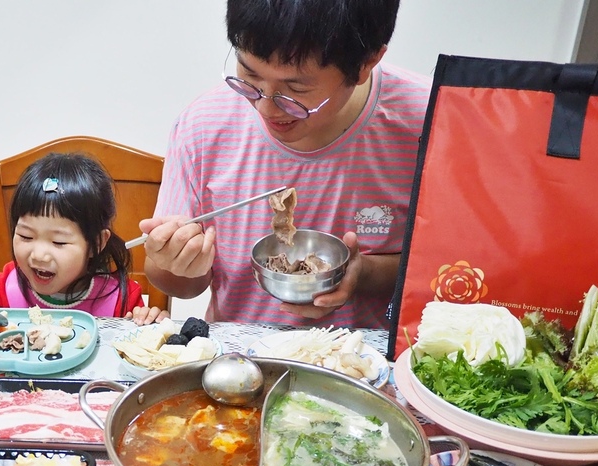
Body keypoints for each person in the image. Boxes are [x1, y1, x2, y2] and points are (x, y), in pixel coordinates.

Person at [141, 0, 431, 329]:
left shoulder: (429, 123)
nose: (265, 107)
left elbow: (452, 270)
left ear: (367, 62)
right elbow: (176, 282)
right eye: (249, 74)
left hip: (369, 367)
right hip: (242, 365)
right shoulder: (203, 127)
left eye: (295, 89)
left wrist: (364, 275)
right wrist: (177, 263)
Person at [0, 153, 167, 324]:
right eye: (26, 236)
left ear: (96, 243)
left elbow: (138, 339)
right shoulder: (3, 288)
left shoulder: (120, 299)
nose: (39, 254)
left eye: (58, 242)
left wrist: (150, 322)